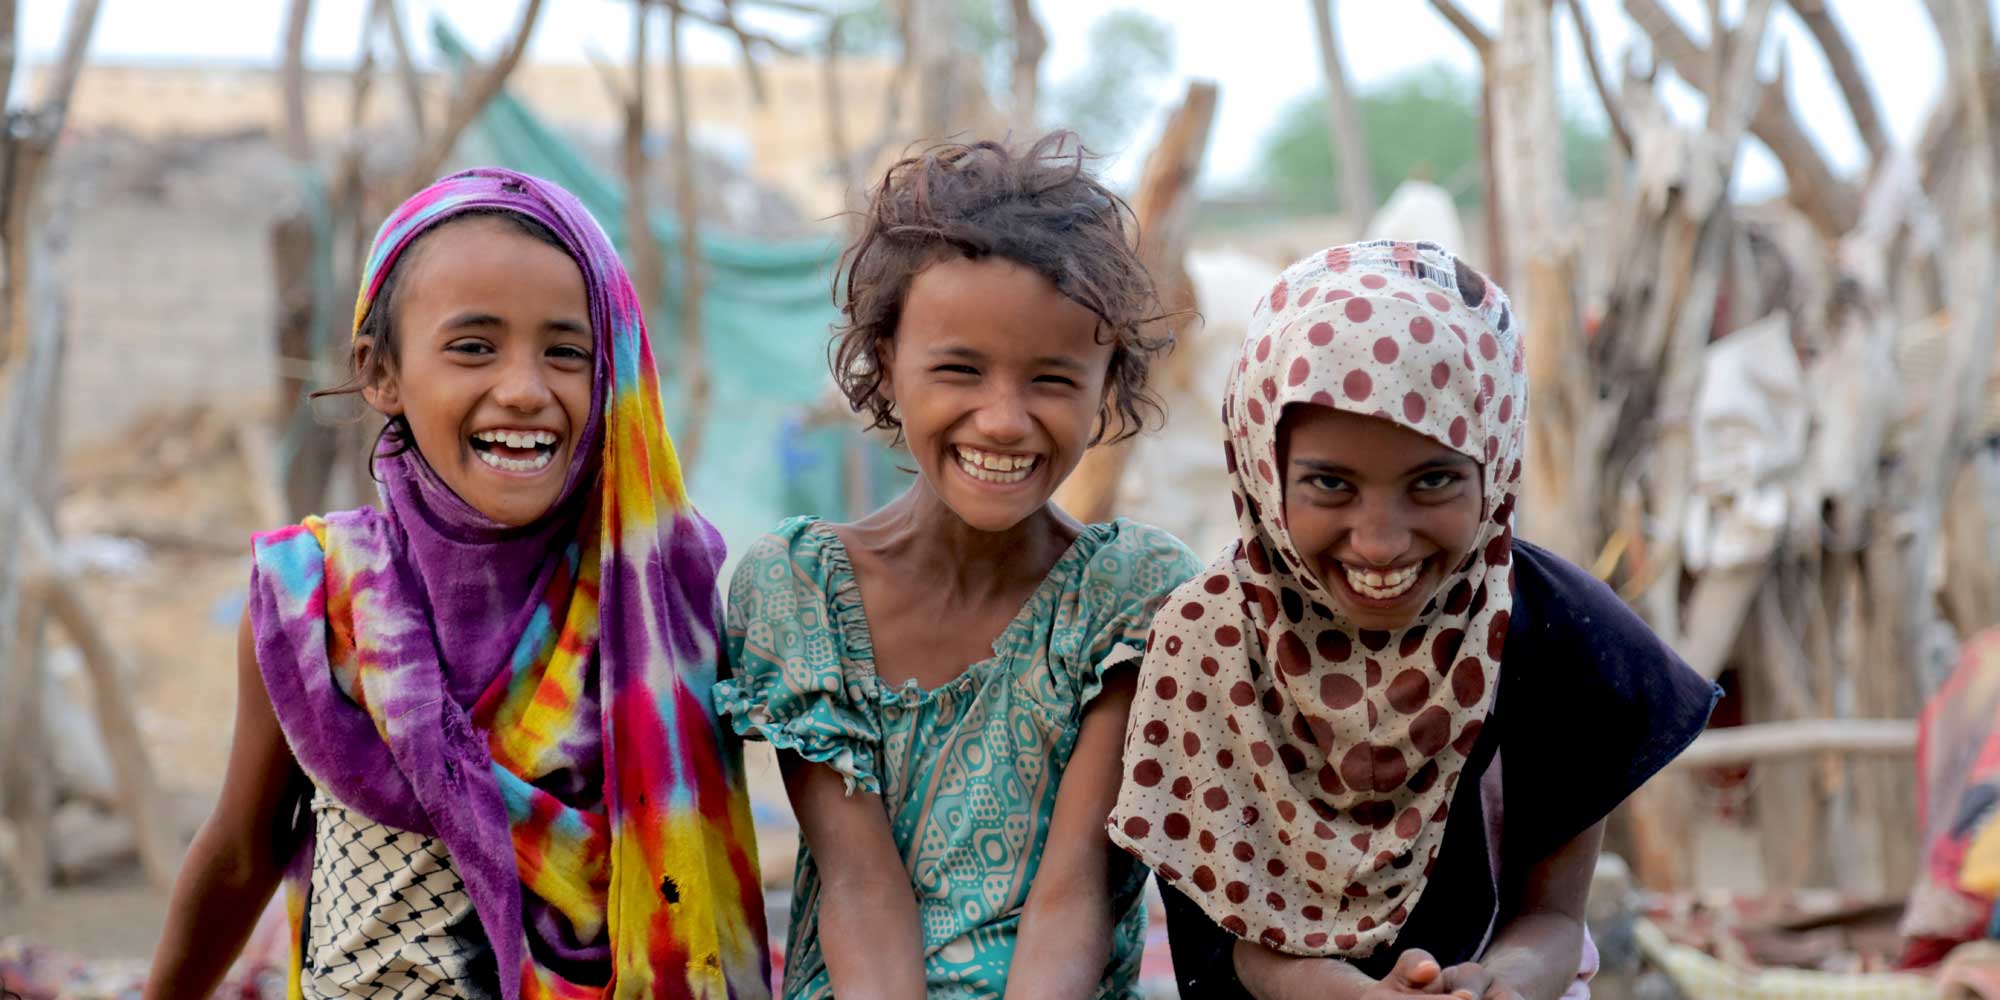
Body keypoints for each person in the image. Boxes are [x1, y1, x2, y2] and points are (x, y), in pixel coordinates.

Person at [144, 168, 768, 999]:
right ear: (380, 372)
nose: (523, 389)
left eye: (567, 353)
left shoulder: (660, 607)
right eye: (473, 346)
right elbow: (240, 848)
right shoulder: (314, 599)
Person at [1106, 240, 1718, 1000]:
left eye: (1432, 481)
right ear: (1263, 468)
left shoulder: (1550, 631)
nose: (1380, 540)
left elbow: (1555, 919)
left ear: (1492, 463)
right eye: (1331, 484)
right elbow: (1222, 946)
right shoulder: (1211, 647)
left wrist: (1500, 983)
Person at [714, 132, 1200, 1000]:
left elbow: (1073, 894)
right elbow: (861, 891)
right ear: (886, 364)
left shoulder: (1130, 595)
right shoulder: (802, 593)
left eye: (1052, 379)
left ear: (1107, 384)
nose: (1004, 420)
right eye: (959, 370)